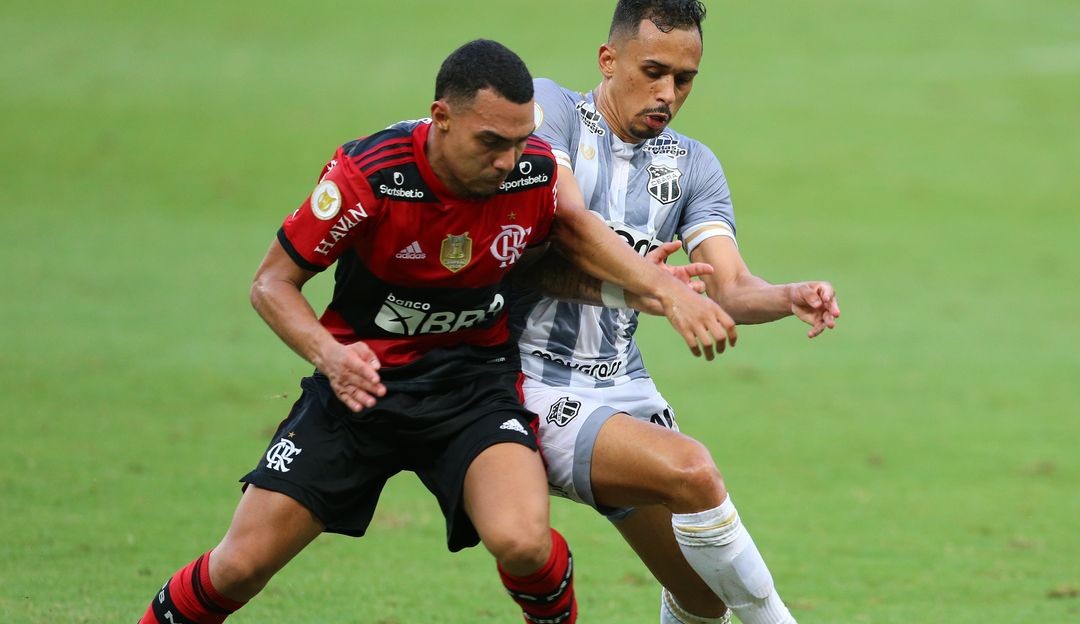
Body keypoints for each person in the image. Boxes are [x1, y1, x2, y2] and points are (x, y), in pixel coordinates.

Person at [136, 38, 738, 624]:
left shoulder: (531, 175)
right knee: (237, 568)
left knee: (525, 543)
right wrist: (330, 355)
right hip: (359, 391)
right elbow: (271, 284)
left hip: (471, 393)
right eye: (491, 142)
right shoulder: (369, 175)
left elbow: (564, 251)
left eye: (521, 140)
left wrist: (647, 290)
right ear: (441, 118)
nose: (507, 161)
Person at [511, 2, 841, 624]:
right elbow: (568, 229)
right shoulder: (549, 110)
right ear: (608, 61)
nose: (667, 94)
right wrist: (662, 290)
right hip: (528, 379)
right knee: (693, 469)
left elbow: (730, 284)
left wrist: (784, 295)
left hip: (622, 385)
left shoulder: (691, 165)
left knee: (703, 596)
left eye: (684, 80)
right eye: (653, 71)